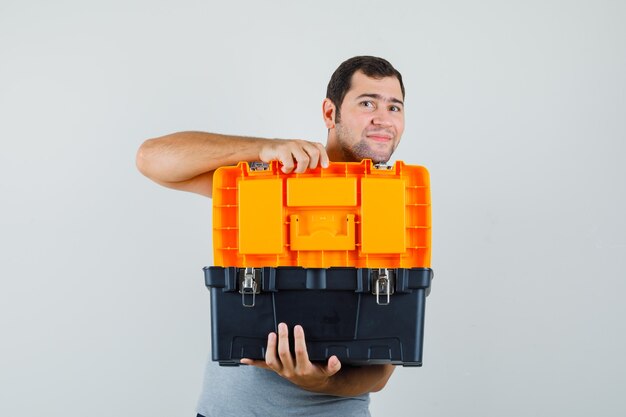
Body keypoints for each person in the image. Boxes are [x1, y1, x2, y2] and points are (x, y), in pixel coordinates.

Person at [136, 55, 406, 416]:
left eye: (394, 106)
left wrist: (322, 382)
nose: (383, 118)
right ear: (330, 114)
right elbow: (152, 159)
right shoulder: (270, 184)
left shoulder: (401, 205)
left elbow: (382, 369)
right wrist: (263, 149)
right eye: (367, 103)